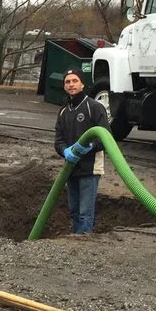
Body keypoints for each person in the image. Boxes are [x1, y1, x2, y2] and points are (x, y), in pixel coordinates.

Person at [54, 68, 111, 234]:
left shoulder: (94, 107)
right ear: (64, 86)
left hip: (90, 168)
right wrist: (65, 151)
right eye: (67, 82)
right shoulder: (64, 112)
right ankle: (76, 239)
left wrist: (89, 146)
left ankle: (83, 242)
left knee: (85, 212)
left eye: (74, 81)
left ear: (82, 84)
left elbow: (106, 138)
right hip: (71, 168)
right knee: (74, 210)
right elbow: (58, 141)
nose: (71, 84)